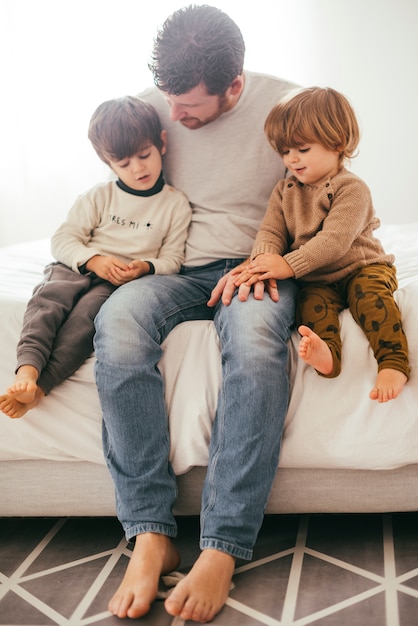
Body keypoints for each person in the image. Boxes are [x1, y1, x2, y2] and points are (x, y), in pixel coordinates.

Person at [93, 4, 298, 623]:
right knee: (118, 324)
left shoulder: (287, 108)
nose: (172, 118)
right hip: (172, 267)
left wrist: (272, 260)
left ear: (234, 85)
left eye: (190, 108)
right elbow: (121, 192)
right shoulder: (149, 107)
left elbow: (323, 194)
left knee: (258, 346)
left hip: (256, 262)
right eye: (169, 100)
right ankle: (151, 531)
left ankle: (223, 545)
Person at [0, 96, 191, 419]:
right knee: (48, 302)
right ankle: (28, 369)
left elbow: (173, 258)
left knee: (85, 322)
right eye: (124, 163)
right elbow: (64, 239)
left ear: (161, 143)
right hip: (79, 266)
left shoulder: (175, 205)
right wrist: (94, 259)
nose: (138, 168)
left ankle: (41, 387)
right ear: (108, 163)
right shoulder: (99, 196)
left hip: (116, 282)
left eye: (144, 155)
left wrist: (145, 267)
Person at [235, 86, 410, 403]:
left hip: (362, 268)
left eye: (301, 149)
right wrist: (263, 261)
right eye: (285, 151)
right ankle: (327, 357)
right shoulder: (284, 190)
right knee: (311, 310)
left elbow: (335, 242)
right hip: (318, 279)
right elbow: (271, 231)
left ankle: (393, 363)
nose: (292, 159)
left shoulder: (351, 188)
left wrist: (287, 265)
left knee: (371, 299)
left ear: (337, 144)